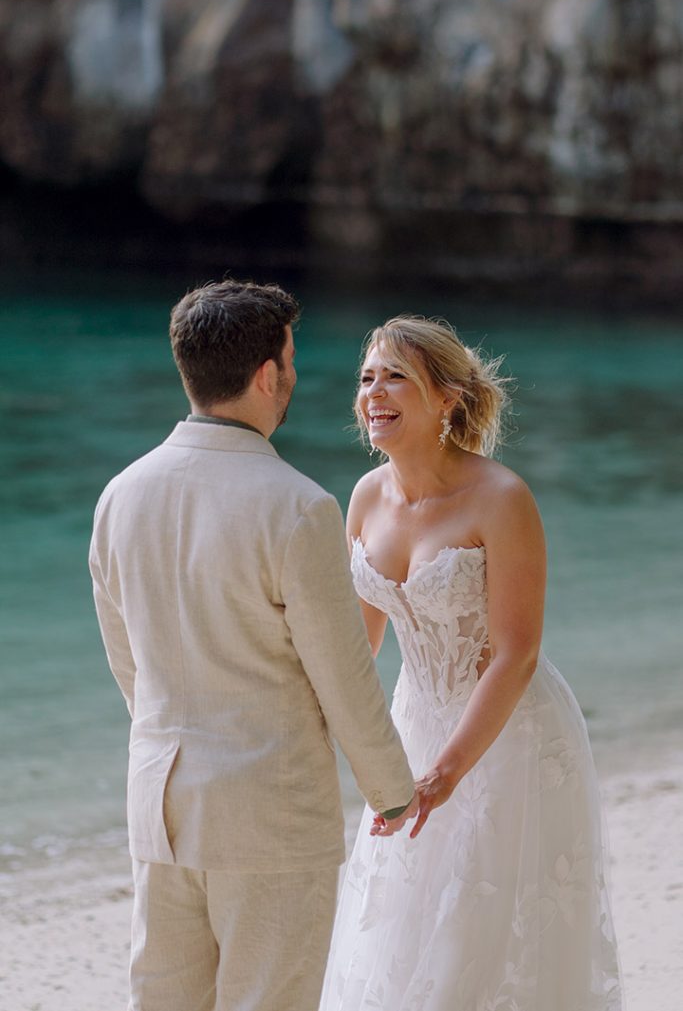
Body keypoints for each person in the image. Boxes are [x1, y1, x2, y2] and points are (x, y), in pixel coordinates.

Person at [88, 279, 419, 1011]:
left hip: (160, 802)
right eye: (291, 361)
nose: (293, 376)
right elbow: (342, 677)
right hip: (270, 811)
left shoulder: (119, 494)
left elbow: (128, 661)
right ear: (267, 374)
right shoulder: (298, 506)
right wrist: (392, 793)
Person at [319, 316, 622, 1011]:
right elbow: (357, 645)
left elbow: (517, 654)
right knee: (399, 928)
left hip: (508, 734)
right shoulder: (365, 497)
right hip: (410, 725)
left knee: (480, 940)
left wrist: (445, 773)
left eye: (395, 377)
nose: (373, 393)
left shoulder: (502, 497)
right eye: (366, 378)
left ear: (446, 397)